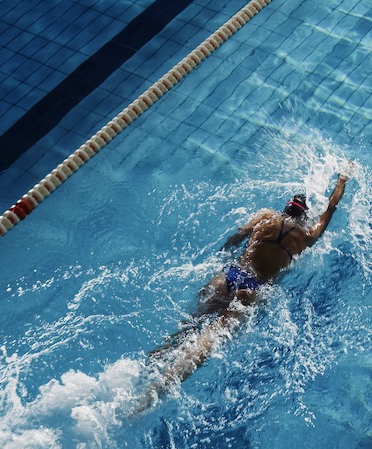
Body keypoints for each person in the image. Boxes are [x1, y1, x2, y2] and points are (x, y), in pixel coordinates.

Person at [134, 173, 349, 411]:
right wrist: (343, 180)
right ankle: (158, 390)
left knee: (190, 326)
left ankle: (148, 364)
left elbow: (235, 239)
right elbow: (330, 208)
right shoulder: (306, 237)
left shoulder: (266, 217)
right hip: (251, 289)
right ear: (303, 216)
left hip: (228, 277)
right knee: (205, 345)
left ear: (285, 208)